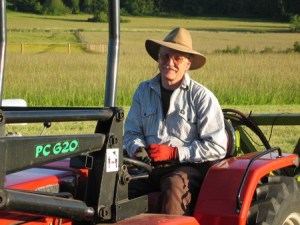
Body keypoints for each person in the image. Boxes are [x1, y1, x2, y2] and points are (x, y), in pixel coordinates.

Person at [124, 27, 227, 216]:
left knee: (174, 188)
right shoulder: (143, 91)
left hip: (186, 167)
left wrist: (174, 152)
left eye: (177, 58)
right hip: (147, 165)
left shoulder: (202, 97)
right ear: (158, 59)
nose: (169, 63)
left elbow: (218, 146)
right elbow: (131, 132)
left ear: (188, 64)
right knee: (116, 186)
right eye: (164, 56)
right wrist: (138, 150)